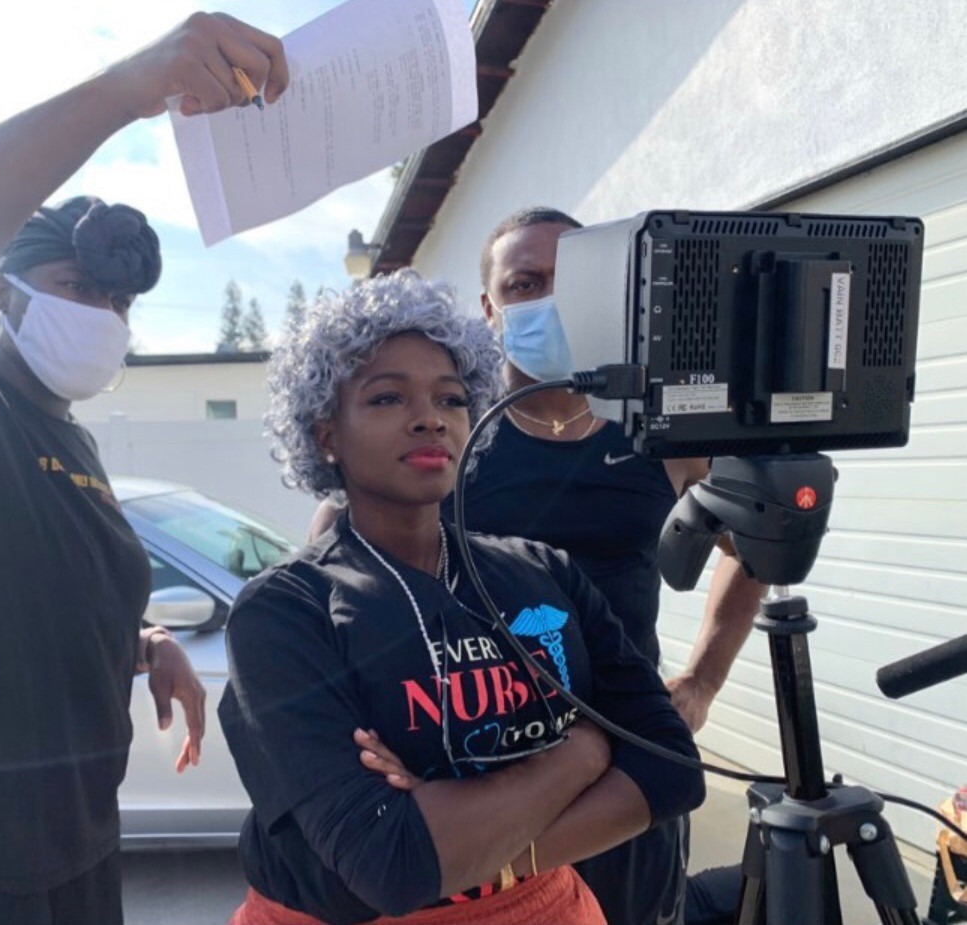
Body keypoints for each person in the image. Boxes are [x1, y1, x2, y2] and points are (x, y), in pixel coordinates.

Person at [0, 12, 288, 924]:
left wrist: (143, 642)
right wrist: (125, 90)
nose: (103, 314)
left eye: (117, 301)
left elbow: (16, 597)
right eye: (78, 287)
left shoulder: (71, 445)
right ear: (4, 293)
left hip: (74, 854)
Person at [220, 269, 705, 925]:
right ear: (326, 435)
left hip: (546, 909)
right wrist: (583, 752)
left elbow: (671, 768)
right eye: (387, 398)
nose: (429, 418)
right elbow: (389, 865)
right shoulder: (285, 612)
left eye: (450, 399)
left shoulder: (544, 572)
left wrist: (477, 847)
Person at [466, 206, 766, 925]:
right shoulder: (455, 432)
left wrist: (702, 681)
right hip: (484, 763)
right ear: (489, 307)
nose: (547, 300)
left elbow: (754, 548)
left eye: (567, 282)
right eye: (524, 283)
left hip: (629, 755)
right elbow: (340, 555)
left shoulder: (658, 426)